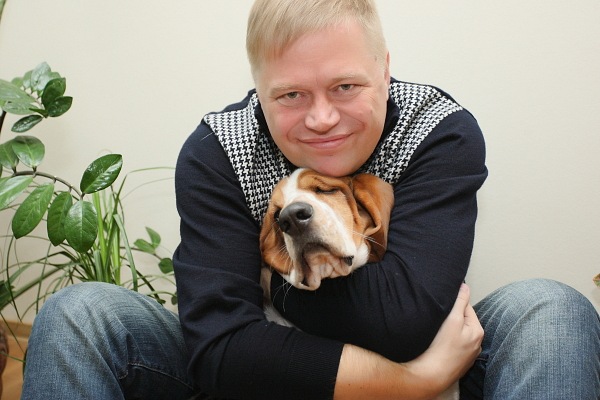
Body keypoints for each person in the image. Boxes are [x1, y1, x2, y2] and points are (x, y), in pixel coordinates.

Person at [21, 1, 600, 399]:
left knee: (551, 310)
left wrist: (269, 280)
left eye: (345, 86)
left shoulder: (439, 130)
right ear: (258, 89)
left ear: (385, 69)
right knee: (78, 314)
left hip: (411, 347)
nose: (322, 119)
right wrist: (413, 385)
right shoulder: (218, 149)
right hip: (334, 368)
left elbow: (404, 321)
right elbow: (220, 349)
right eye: (291, 95)